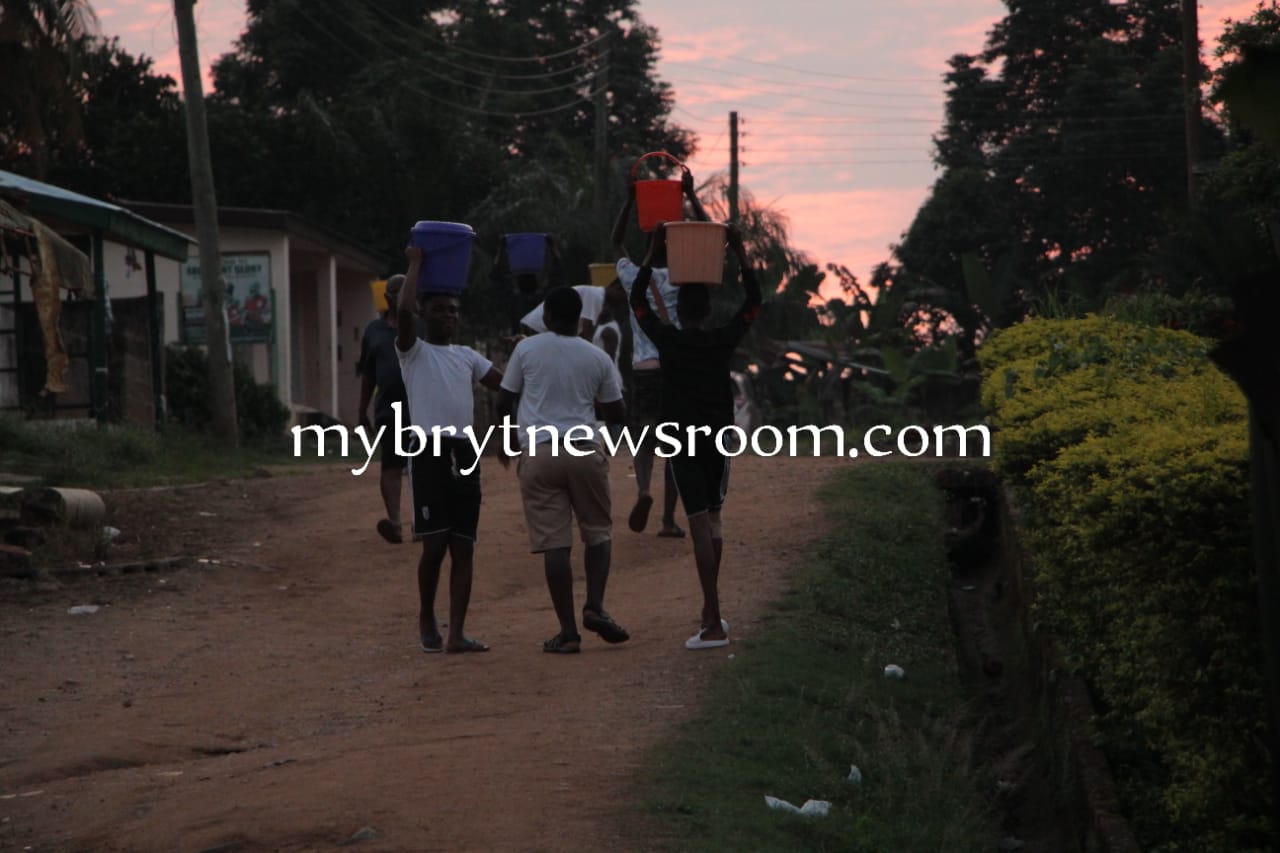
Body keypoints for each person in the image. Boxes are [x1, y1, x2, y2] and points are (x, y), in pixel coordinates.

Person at [628, 222, 762, 650]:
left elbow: (637, 302)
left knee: (699, 524)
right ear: (706, 311)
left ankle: (713, 620)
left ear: (681, 310)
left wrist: (651, 254)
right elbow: (754, 301)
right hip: (718, 439)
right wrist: (740, 252)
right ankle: (710, 612)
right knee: (714, 519)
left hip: (681, 439)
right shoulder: (723, 341)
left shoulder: (667, 340)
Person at [497, 286, 630, 654]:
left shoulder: (526, 348)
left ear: (548, 318)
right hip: (584, 450)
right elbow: (618, 412)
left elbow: (504, 399)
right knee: (598, 533)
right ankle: (595, 606)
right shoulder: (597, 356)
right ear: (579, 318)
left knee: (555, 544)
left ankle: (568, 633)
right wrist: (588, 407)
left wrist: (508, 440)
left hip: (539, 454)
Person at [397, 247, 508, 655]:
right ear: (426, 313)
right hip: (428, 451)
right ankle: (427, 615)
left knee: (463, 545)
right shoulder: (413, 352)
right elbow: (404, 311)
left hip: (465, 452)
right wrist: (416, 264)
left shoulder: (467, 357)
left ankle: (457, 632)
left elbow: (507, 386)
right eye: (441, 309)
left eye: (454, 311)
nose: (450, 316)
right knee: (435, 544)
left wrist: (520, 354)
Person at [610, 168, 710, 539]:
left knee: (644, 435)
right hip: (677, 368)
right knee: (675, 443)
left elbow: (615, 242)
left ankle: (643, 490)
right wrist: (690, 196)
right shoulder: (688, 277)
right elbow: (712, 240)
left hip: (644, 368)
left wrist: (630, 199)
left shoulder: (632, 275)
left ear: (650, 243)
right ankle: (668, 520)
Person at [356, 274, 415, 545]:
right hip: (389, 411)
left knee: (422, 467)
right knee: (391, 466)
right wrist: (361, 411)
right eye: (397, 292)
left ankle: (422, 522)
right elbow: (368, 374)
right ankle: (395, 523)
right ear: (388, 297)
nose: (403, 296)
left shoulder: (422, 326)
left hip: (421, 409)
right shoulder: (374, 331)